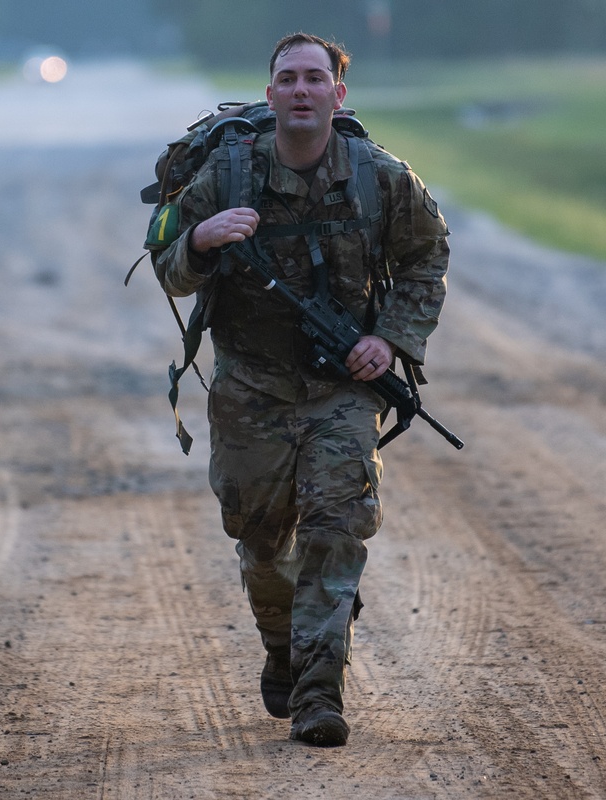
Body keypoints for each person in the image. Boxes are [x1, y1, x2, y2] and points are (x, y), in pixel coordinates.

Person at [153, 32, 449, 747]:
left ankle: (320, 690)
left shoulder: (381, 178)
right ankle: (283, 646)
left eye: (316, 78)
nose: (302, 91)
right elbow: (167, 267)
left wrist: (392, 341)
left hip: (341, 387)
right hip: (249, 386)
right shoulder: (228, 178)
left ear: (338, 94)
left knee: (335, 525)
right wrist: (201, 240)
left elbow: (426, 256)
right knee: (258, 538)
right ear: (270, 93)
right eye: (288, 79)